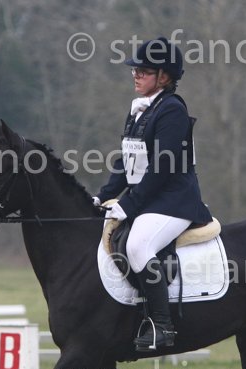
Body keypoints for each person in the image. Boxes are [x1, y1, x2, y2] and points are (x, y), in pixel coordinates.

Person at [93, 37, 213, 351]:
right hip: (151, 199)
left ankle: (162, 326)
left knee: (137, 246)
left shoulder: (172, 110)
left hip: (174, 200)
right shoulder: (140, 110)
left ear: (163, 77)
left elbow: (162, 167)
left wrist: (128, 204)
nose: (136, 75)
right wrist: (102, 197)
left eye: (144, 71)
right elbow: (127, 162)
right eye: (135, 70)